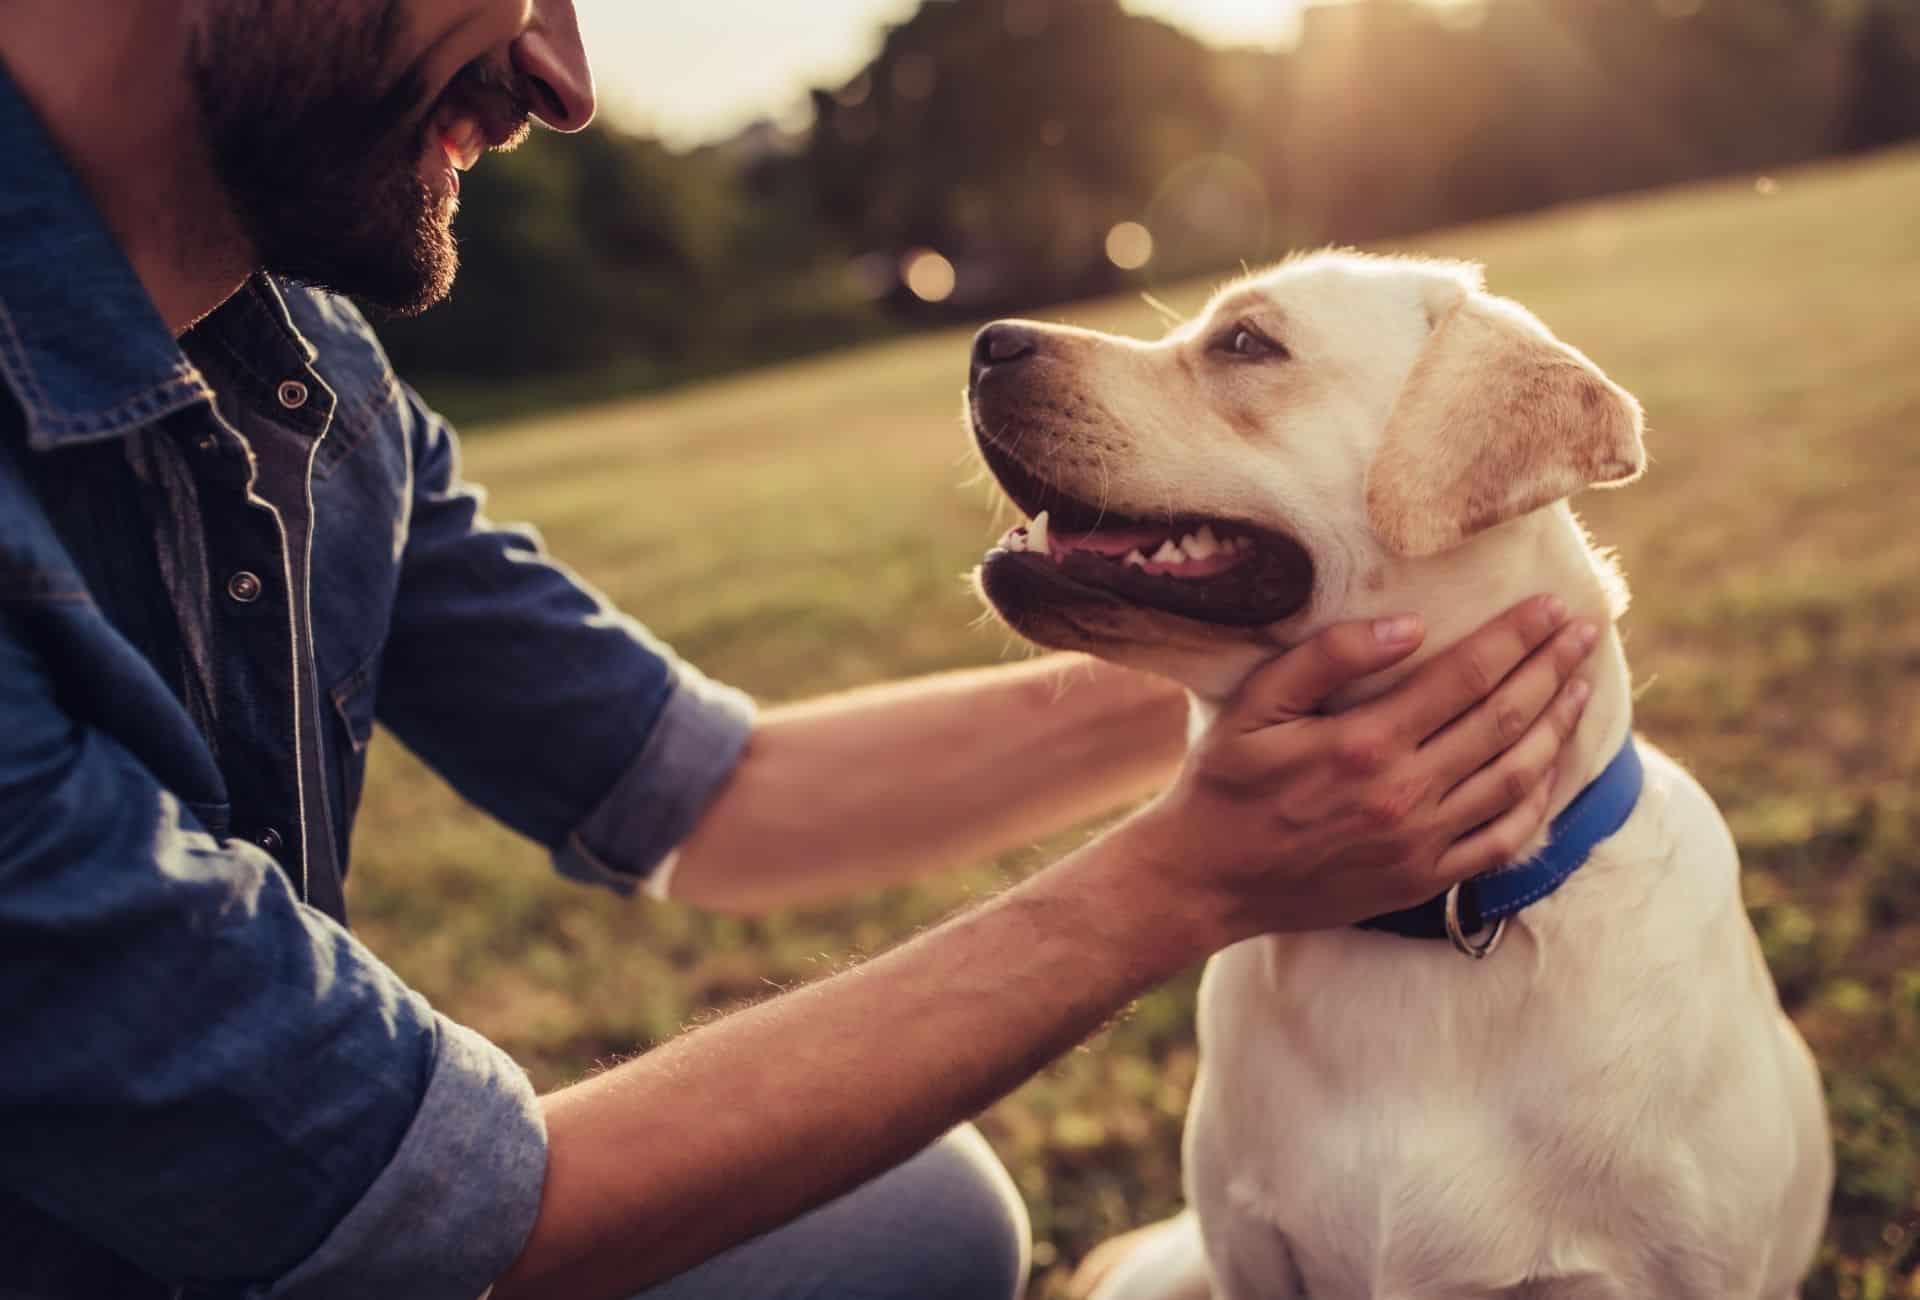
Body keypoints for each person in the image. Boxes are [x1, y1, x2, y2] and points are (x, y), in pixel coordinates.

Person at [0, 3, 1600, 1298]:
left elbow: (722, 795)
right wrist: (1190, 877)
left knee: (919, 1221)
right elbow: (405, 1214)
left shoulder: (310, 381)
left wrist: (1301, 652)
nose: (563, 76)